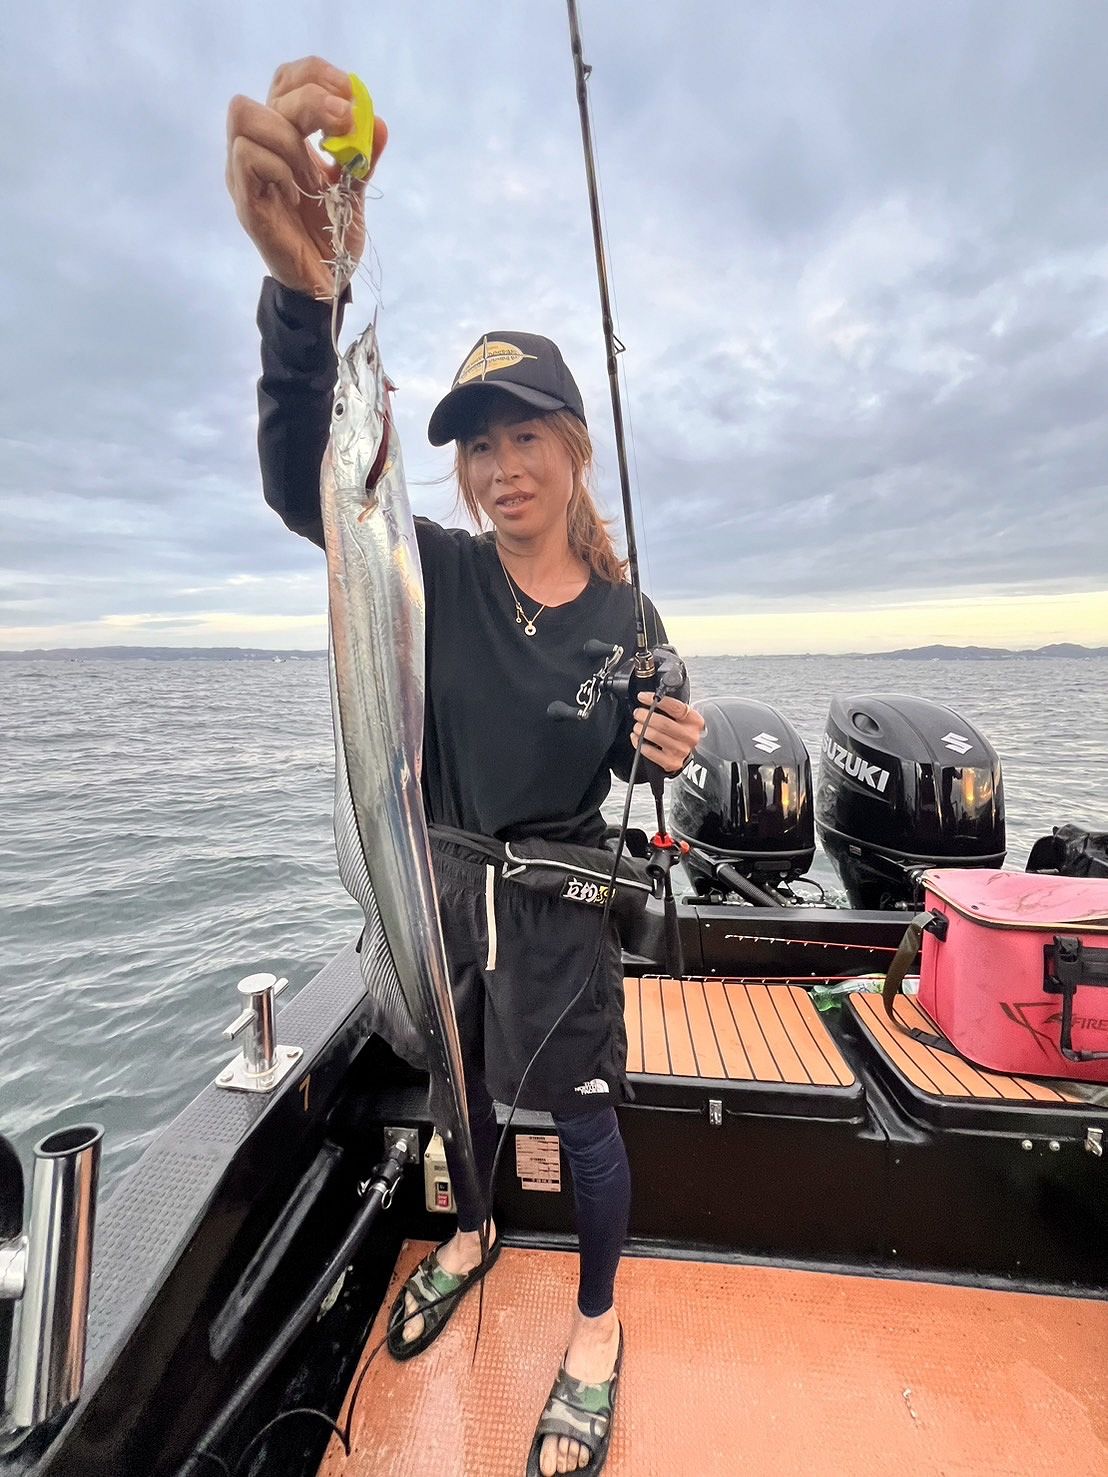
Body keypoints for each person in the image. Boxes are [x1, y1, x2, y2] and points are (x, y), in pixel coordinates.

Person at [226, 57, 705, 1477]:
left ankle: (598, 1321)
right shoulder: (423, 568)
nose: (502, 469)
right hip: (440, 886)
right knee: (459, 1087)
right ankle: (478, 1228)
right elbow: (301, 479)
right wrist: (301, 300)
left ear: (574, 450)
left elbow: (653, 728)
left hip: (557, 911)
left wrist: (669, 731)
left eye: (525, 438)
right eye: (480, 447)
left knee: (587, 1120)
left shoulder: (625, 616)